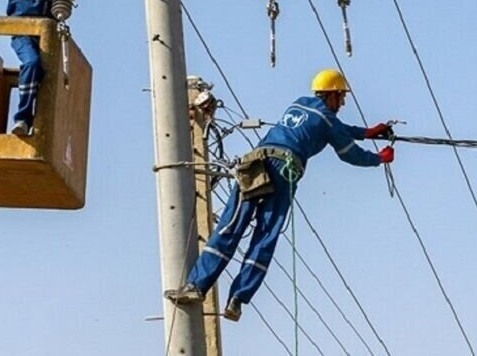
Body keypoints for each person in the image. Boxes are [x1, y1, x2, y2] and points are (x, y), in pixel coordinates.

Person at [165, 69, 395, 321]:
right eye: (341, 98)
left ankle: (195, 287)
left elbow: (335, 126)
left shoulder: (300, 104)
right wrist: (379, 159)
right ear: (332, 94)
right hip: (285, 170)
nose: (342, 103)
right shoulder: (328, 120)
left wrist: (367, 132)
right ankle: (238, 299)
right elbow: (349, 152)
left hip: (256, 162)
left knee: (230, 225)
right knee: (266, 233)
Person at [3, 0, 89, 136]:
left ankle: (43, 127)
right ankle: (22, 119)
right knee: (31, 64)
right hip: (22, 28)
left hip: (46, 32)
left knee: (48, 75)